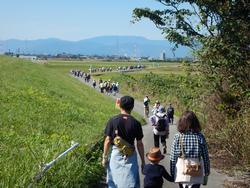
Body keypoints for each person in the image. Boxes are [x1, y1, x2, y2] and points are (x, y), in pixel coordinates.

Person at [102, 96, 145, 188]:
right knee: (131, 179)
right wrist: (143, 162)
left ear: (120, 106)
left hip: (116, 153)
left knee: (113, 180)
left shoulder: (113, 120)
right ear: (132, 107)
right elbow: (140, 144)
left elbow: (108, 140)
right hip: (130, 154)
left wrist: (104, 157)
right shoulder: (136, 123)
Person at [170, 111, 210, 188]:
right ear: (195, 122)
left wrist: (172, 172)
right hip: (196, 171)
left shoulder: (178, 136)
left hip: (182, 171)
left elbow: (173, 156)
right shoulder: (200, 136)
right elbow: (205, 157)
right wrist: (207, 171)